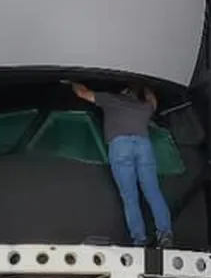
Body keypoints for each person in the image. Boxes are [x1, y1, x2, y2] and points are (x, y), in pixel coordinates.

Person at [70, 81, 174, 247]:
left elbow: (82, 93)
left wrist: (73, 82)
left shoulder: (111, 99)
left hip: (120, 146)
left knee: (130, 197)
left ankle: (140, 239)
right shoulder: (143, 107)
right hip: (143, 145)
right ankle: (165, 233)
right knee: (153, 192)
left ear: (122, 91)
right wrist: (146, 87)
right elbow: (153, 102)